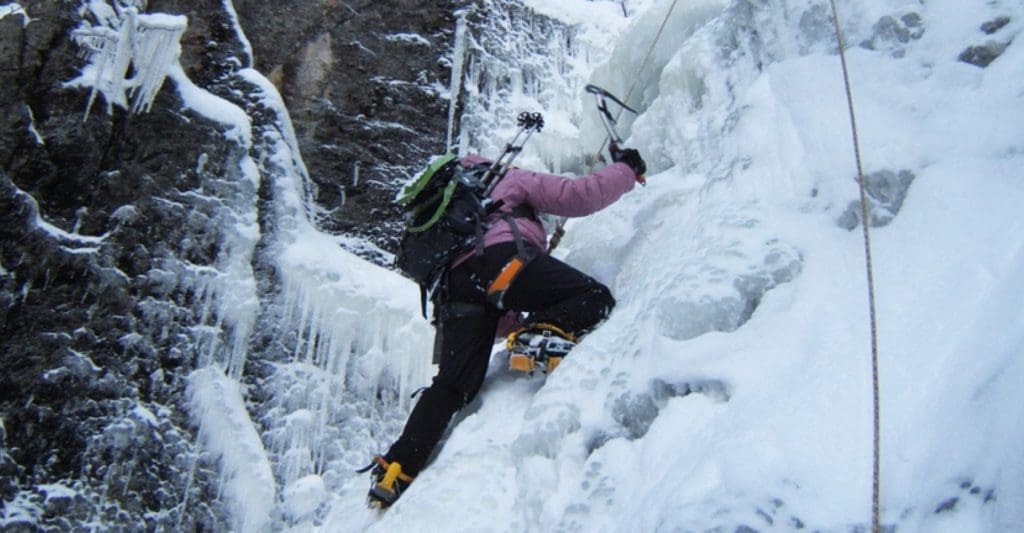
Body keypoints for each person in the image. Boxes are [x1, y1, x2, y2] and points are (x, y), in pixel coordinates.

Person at [363, 147, 648, 508]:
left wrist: (518, 320)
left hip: (455, 291)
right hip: (499, 262)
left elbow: (496, 320)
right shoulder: (509, 178)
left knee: (453, 386)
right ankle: (539, 340)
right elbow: (577, 196)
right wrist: (626, 168)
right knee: (593, 297)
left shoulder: (455, 210)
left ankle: (396, 468)